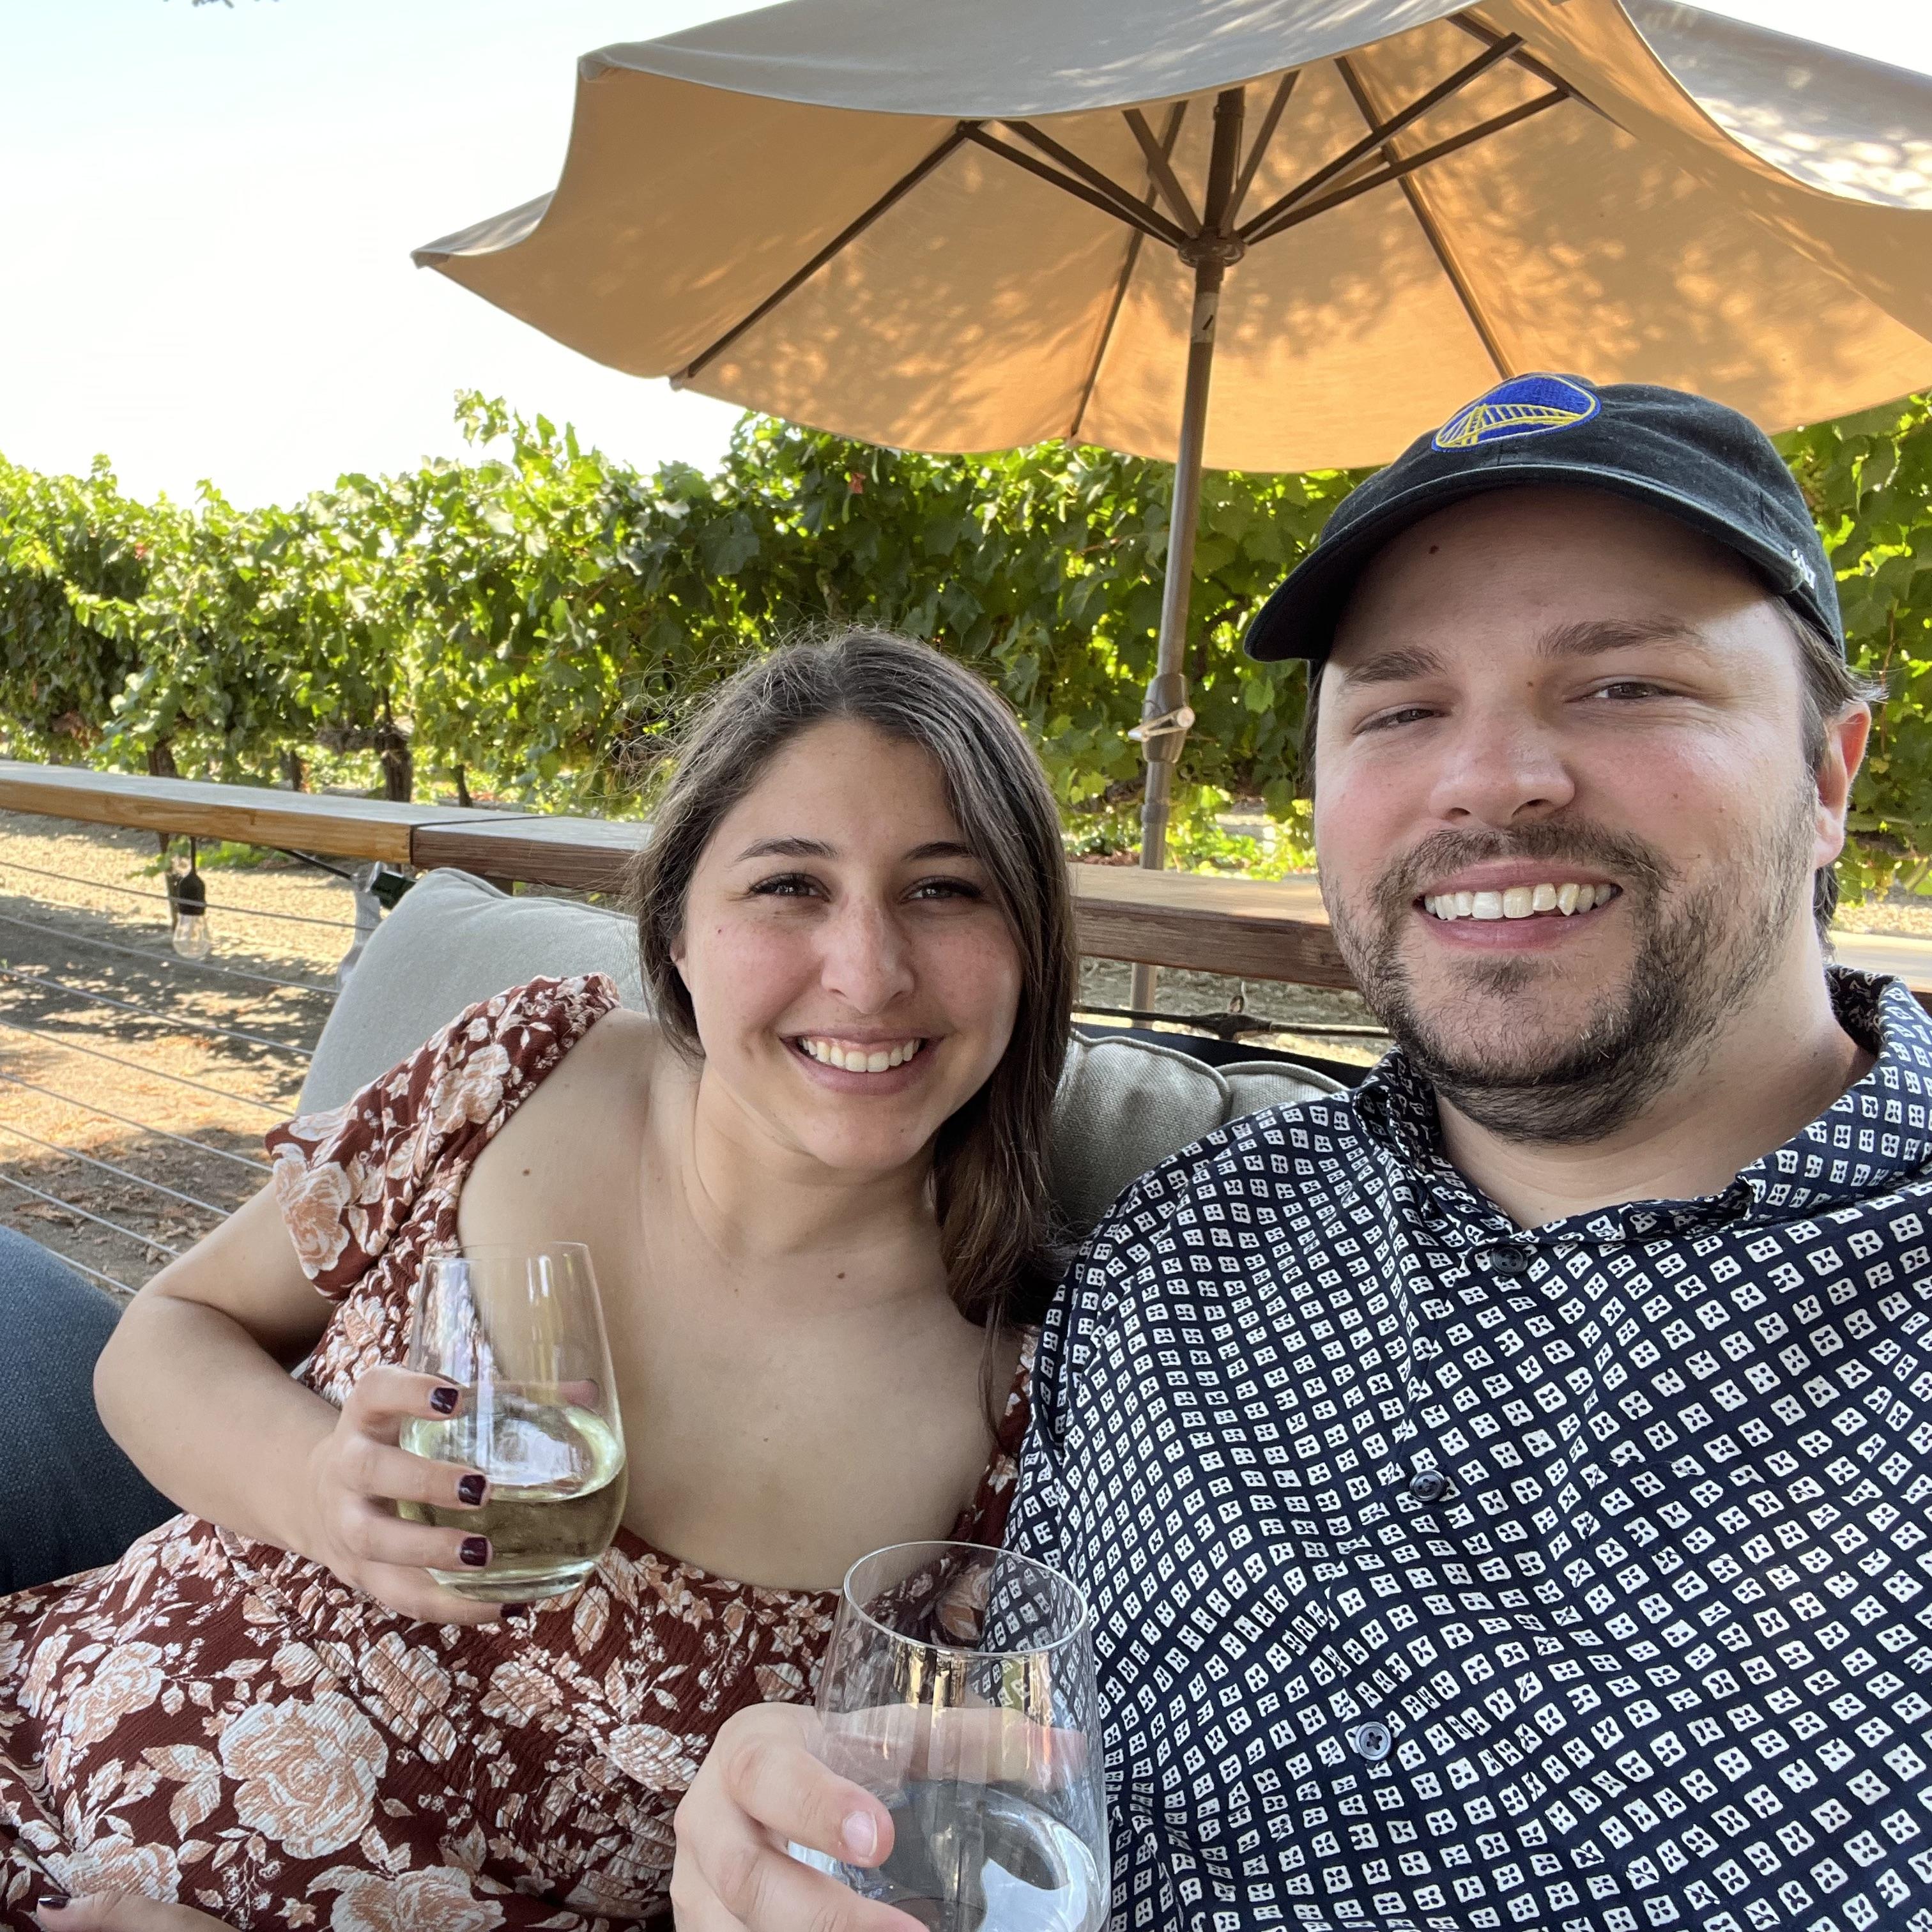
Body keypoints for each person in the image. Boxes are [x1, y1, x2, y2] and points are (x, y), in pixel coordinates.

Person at [671, 376, 1932, 1932]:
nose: (1491, 777)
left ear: (1829, 773)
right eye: (1402, 712)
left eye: (1622, 686)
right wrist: (781, 1831)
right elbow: (982, 1771)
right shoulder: (1178, 1254)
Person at [0, 629, 1077, 1928]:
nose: (867, 970)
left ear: (1029, 947)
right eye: (791, 885)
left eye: (945, 889)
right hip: (46, 1738)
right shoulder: (522, 1067)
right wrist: (322, 1491)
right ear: (677, 929)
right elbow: (163, 1336)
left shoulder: (1029, 1408)